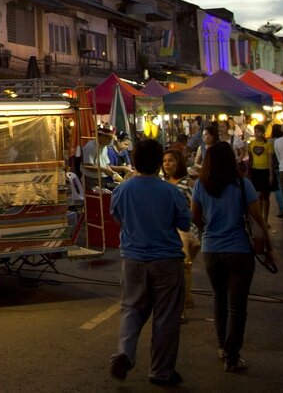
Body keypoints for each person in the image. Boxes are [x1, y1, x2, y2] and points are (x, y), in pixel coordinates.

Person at [108, 139, 189, 386]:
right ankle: (161, 371)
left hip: (133, 259)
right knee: (166, 317)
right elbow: (185, 223)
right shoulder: (171, 191)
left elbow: (116, 216)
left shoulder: (123, 189)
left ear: (134, 162)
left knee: (132, 309)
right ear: (159, 164)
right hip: (166, 261)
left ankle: (125, 352)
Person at [191, 141, 273, 373]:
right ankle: (232, 356)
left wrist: (209, 230)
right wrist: (269, 248)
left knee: (219, 299)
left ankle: (221, 347)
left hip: (211, 251)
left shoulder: (201, 185)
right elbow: (257, 219)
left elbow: (195, 217)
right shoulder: (242, 184)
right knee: (237, 306)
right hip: (239, 250)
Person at [162, 148, 200, 315]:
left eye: (170, 160)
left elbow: (195, 209)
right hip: (166, 231)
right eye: (164, 161)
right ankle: (187, 297)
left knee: (184, 267)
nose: (167, 164)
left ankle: (182, 307)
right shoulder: (161, 183)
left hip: (185, 230)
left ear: (179, 163)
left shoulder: (188, 183)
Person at [247, 123, 275, 224]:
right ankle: (259, 218)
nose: (256, 133)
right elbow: (250, 159)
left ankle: (266, 219)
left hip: (265, 170)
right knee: (258, 195)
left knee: (266, 196)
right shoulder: (251, 144)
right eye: (255, 131)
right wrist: (248, 172)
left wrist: (271, 174)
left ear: (263, 133)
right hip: (255, 171)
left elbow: (270, 160)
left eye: (258, 131)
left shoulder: (268, 144)